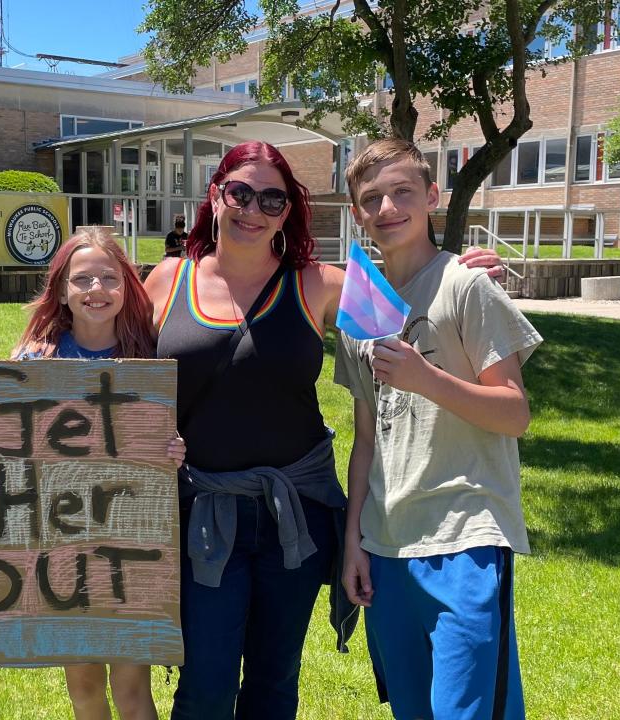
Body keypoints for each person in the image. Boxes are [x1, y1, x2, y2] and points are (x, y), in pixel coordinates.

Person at [142, 140, 507, 720]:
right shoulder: (165, 282)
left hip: (296, 518)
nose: (252, 209)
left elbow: (416, 307)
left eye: (271, 198)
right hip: (202, 515)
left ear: (288, 212)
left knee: (274, 679)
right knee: (205, 684)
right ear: (215, 194)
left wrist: (469, 270)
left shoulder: (321, 284)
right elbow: (92, 351)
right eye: (239, 191)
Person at [0, 227, 186, 720]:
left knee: (134, 691)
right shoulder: (32, 364)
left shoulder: (150, 358)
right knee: (85, 689)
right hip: (60, 554)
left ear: (128, 287)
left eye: (109, 278)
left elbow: (168, 439)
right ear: (62, 290)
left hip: (128, 550)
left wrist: (173, 450)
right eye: (82, 279)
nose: (96, 290)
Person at [334, 138, 543, 720]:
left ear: (431, 197)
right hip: (387, 540)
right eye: (371, 198)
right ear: (357, 213)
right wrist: (354, 540)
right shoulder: (363, 304)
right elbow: (367, 437)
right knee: (411, 708)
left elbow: (513, 411)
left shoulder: (465, 285)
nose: (387, 207)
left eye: (402, 192)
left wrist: (426, 378)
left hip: (466, 537)